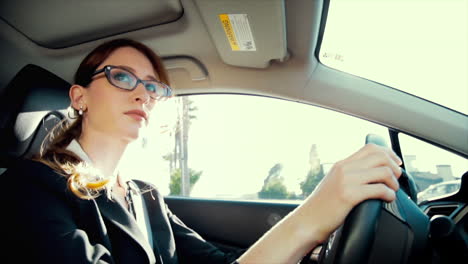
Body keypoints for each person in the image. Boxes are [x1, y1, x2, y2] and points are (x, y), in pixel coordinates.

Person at [3, 38, 402, 264]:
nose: (144, 93)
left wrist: (309, 244)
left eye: (154, 87)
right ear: (80, 97)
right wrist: (312, 216)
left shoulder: (146, 195)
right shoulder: (30, 189)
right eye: (122, 77)